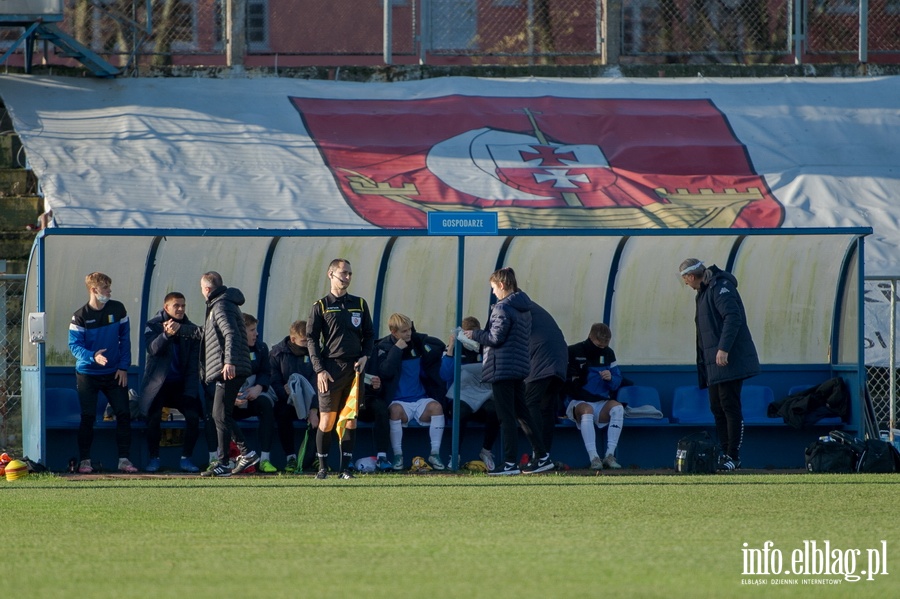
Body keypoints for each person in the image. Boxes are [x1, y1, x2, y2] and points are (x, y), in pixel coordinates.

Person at [464, 267, 554, 475]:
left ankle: (511, 463)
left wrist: (474, 334)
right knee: (523, 415)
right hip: (519, 366)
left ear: (502, 285)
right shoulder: (524, 308)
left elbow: (495, 339)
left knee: (506, 417)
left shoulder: (502, 309)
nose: (493, 292)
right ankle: (542, 456)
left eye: (494, 288)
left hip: (501, 368)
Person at [679, 258, 760, 471]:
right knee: (717, 407)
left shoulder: (720, 287)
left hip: (728, 359)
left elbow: (732, 317)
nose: (686, 284)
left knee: (730, 406)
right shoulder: (704, 291)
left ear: (690, 276)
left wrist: (723, 349)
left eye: (684, 279)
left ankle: (734, 456)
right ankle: (724, 454)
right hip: (713, 362)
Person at [307, 258, 375, 480]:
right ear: (330, 274)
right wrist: (319, 369)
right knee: (327, 419)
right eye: (343, 273)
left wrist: (366, 356)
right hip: (330, 369)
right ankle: (323, 468)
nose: (347, 277)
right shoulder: (321, 306)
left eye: (350, 274)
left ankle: (345, 468)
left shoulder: (360, 304)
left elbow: (369, 335)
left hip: (355, 369)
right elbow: (311, 339)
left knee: (350, 419)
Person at [68, 272, 138, 474]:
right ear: (93, 290)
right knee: (88, 416)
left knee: (124, 413)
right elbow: (74, 345)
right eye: (105, 288)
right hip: (88, 374)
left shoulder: (118, 309)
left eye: (109, 287)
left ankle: (124, 460)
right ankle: (85, 461)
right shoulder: (80, 316)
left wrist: (123, 366)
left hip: (114, 373)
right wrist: (92, 356)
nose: (109, 291)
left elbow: (125, 339)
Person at [199, 271, 258, 477]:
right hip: (232, 367)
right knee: (221, 414)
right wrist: (180, 329)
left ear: (206, 289)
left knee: (220, 414)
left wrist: (229, 361)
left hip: (230, 368)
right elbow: (207, 333)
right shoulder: (225, 304)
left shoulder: (220, 305)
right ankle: (243, 453)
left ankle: (227, 461)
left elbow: (230, 332)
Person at [371, 313, 446, 471]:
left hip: (419, 399)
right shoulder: (383, 346)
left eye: (410, 330)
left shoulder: (416, 342)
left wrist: (419, 338)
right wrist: (397, 349)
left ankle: (435, 453)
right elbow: (385, 371)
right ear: (393, 332)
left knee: (437, 407)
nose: (409, 334)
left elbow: (439, 345)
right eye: (404, 331)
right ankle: (398, 455)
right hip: (398, 400)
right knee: (394, 411)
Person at [140, 291, 202, 473]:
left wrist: (190, 393)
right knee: (154, 417)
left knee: (193, 416)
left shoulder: (191, 329)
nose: (181, 309)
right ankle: (154, 458)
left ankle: (186, 458)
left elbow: (193, 366)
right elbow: (153, 349)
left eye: (183, 305)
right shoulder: (153, 325)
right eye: (177, 305)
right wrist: (166, 335)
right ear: (166, 307)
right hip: (157, 385)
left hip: (179, 386)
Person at [440, 316, 500, 471]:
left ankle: (486, 451)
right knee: (461, 411)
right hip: (461, 397)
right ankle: (455, 454)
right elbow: (445, 375)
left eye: (473, 335)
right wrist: (452, 347)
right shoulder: (454, 349)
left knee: (495, 410)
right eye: (467, 335)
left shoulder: (486, 349)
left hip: (483, 396)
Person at [566, 323, 625, 470]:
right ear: (591, 338)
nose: (602, 348)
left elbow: (617, 381)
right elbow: (564, 381)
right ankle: (594, 457)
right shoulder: (573, 351)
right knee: (587, 411)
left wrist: (611, 378)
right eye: (599, 345)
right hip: (578, 402)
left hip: (601, 401)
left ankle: (609, 455)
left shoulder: (609, 353)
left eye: (605, 345)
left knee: (618, 408)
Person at [269, 319, 320, 472]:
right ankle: (290, 457)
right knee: (282, 413)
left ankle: (316, 457)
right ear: (293, 339)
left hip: (310, 401)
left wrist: (313, 408)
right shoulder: (277, 354)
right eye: (304, 341)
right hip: (287, 401)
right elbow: (274, 379)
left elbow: (319, 382)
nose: (307, 344)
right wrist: (285, 392)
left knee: (324, 416)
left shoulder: (316, 353)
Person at [231, 314, 278, 473]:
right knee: (218, 411)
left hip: (250, 399)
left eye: (255, 330)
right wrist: (230, 396)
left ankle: (265, 458)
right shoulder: (228, 349)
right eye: (252, 330)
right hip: (230, 401)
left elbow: (266, 372)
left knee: (266, 404)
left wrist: (259, 388)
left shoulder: (261, 347)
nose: (256, 334)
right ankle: (221, 458)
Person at [524, 301, 568, 453]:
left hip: (542, 361)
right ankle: (545, 454)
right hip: (559, 361)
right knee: (546, 408)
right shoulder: (537, 309)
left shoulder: (514, 307)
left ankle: (539, 454)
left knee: (530, 402)